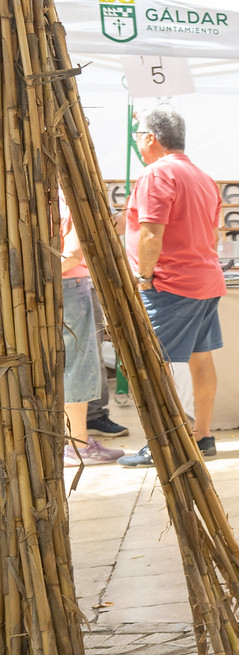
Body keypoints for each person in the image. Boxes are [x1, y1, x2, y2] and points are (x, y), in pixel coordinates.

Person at [119, 107, 224, 467]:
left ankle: (165, 442)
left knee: (157, 363)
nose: (137, 143)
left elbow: (151, 232)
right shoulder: (201, 176)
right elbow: (211, 233)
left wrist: (144, 276)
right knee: (200, 358)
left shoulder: (156, 174)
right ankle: (202, 435)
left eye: (138, 136)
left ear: (151, 138)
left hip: (171, 284)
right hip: (204, 279)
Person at [59, 198, 123, 464]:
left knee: (61, 364)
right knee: (77, 365)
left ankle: (71, 441)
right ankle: (78, 445)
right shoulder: (68, 197)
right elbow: (73, 253)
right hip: (69, 284)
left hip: (47, 286)